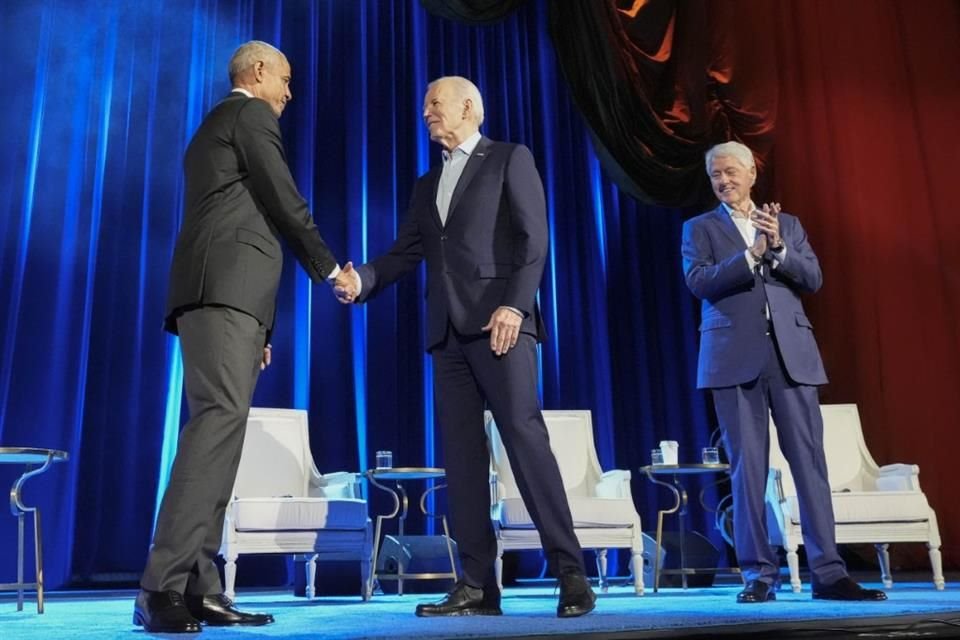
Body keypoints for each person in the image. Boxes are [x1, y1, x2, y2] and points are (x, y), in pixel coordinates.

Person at [335, 76, 596, 618]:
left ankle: (570, 573)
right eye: (424, 105)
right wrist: (363, 280)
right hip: (447, 334)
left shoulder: (508, 158)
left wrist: (515, 306)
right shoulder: (426, 183)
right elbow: (405, 252)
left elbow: (534, 239)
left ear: (469, 107)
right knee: (461, 459)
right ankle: (478, 584)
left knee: (524, 441)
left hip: (502, 324)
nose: (426, 112)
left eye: (435, 102)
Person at [135, 41, 352, 633]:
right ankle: (160, 585)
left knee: (222, 439)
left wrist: (262, 323)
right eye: (285, 79)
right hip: (222, 295)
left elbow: (241, 213)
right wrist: (331, 269)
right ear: (258, 72)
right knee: (214, 431)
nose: (289, 93)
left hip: (232, 301)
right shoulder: (248, 114)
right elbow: (282, 200)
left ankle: (200, 586)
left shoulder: (217, 125)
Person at [681, 141, 887, 603]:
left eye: (731, 171)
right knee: (747, 470)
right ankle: (759, 575)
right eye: (715, 174)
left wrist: (776, 247)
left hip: (792, 357)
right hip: (733, 359)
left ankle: (829, 573)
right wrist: (750, 256)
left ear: (752, 174)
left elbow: (812, 279)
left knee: (810, 464)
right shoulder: (699, 229)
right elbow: (699, 282)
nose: (723, 181)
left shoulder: (787, 225)